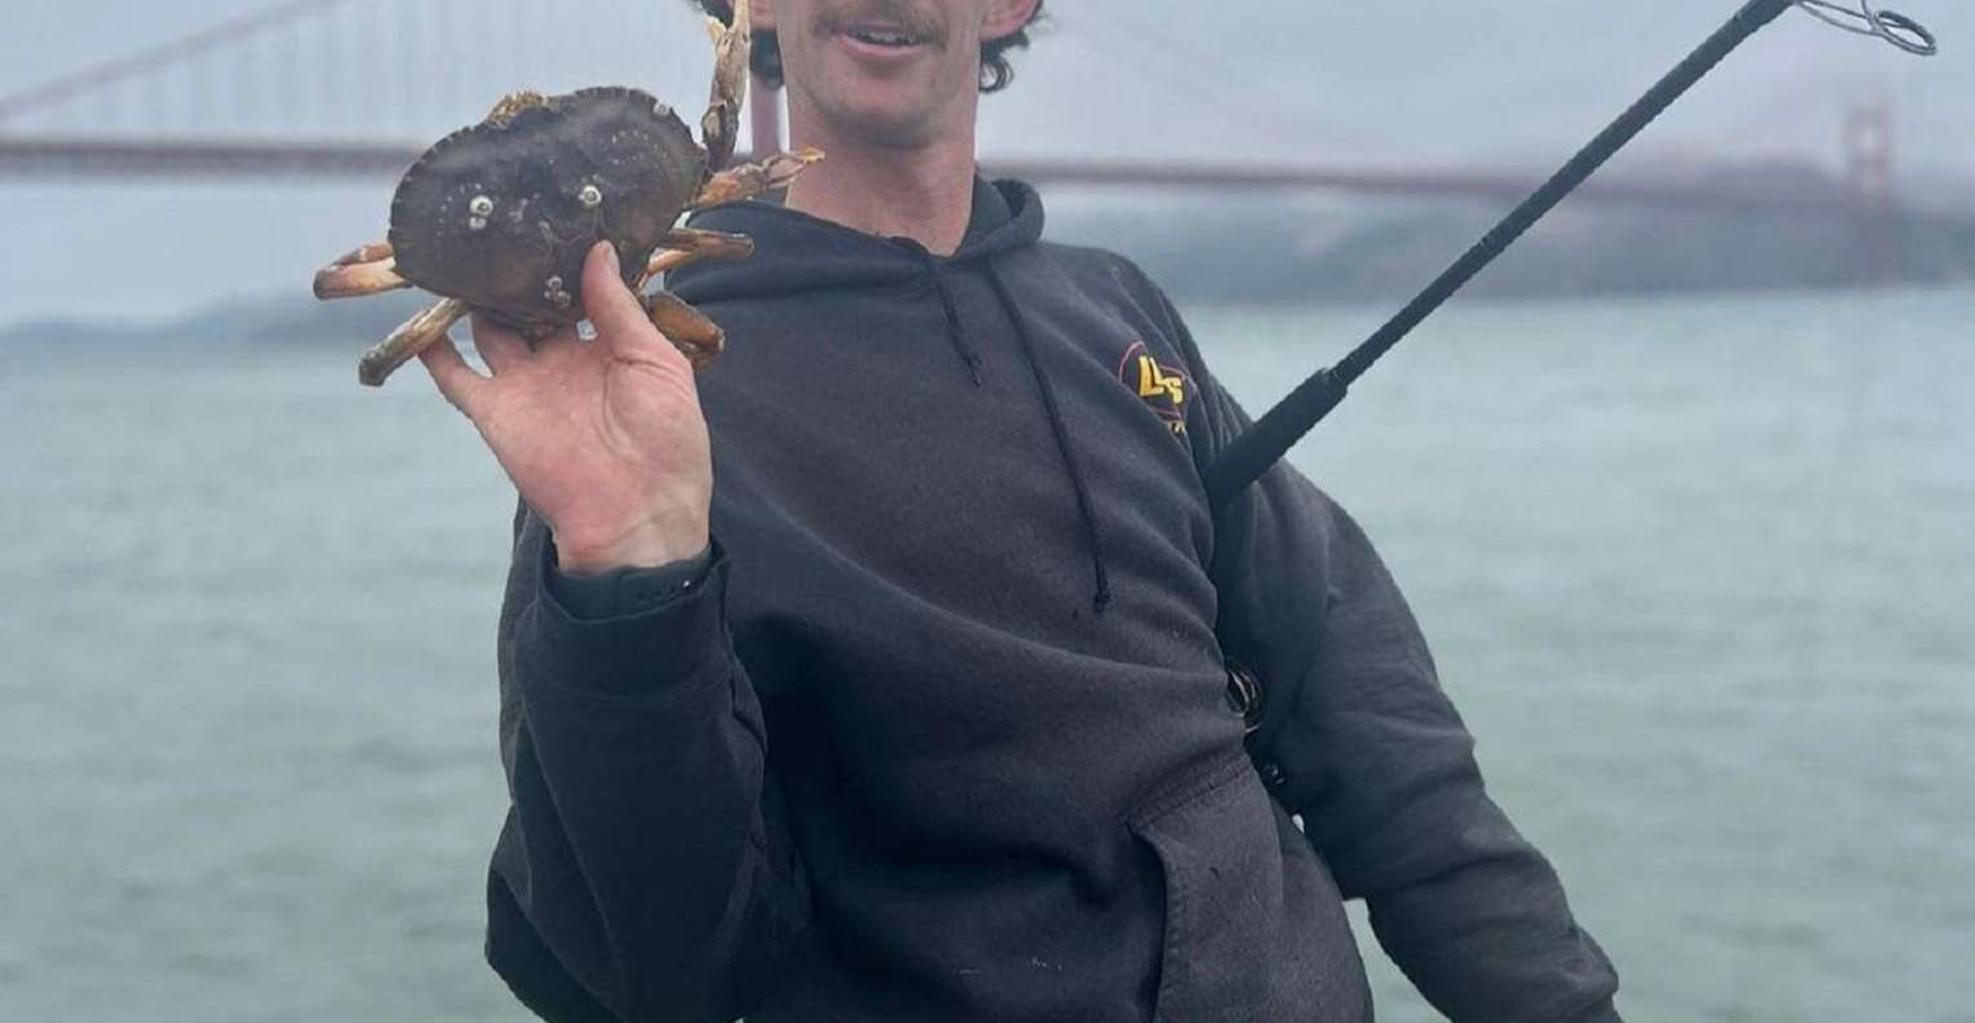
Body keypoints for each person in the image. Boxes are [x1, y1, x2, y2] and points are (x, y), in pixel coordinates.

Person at [418, 1, 1623, 1019]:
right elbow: (648, 965)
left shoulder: (1118, 315)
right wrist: (628, 577)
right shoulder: (651, 393)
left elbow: (1384, 751)